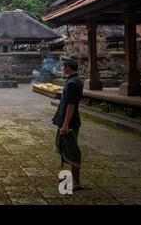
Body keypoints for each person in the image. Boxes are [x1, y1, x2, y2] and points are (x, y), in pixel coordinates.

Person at [52, 56, 84, 191]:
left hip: (70, 121)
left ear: (68, 67)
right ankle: (71, 177)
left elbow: (71, 104)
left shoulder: (72, 83)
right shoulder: (74, 80)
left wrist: (65, 124)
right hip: (68, 119)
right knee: (66, 148)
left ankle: (76, 182)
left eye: (63, 66)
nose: (62, 69)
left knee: (72, 151)